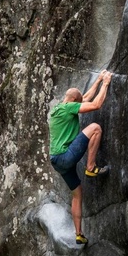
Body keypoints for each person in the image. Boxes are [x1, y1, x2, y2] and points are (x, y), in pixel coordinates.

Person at [47, 70, 113, 245]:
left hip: (57, 161)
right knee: (95, 128)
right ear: (73, 102)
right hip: (65, 157)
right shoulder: (69, 108)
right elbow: (96, 104)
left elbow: (84, 98)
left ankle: (79, 234)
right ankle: (91, 168)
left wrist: (98, 79)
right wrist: (106, 83)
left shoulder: (60, 108)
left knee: (77, 194)